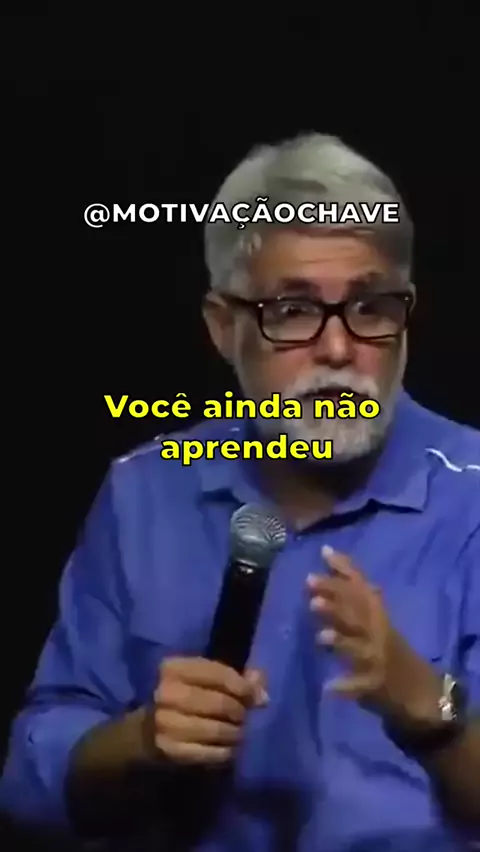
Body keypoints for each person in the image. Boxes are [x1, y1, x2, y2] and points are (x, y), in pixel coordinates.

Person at [1, 134, 479, 852]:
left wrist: (429, 707)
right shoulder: (144, 492)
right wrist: (142, 741)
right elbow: (30, 783)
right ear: (224, 328)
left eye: (371, 306)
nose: (339, 348)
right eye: (292, 310)